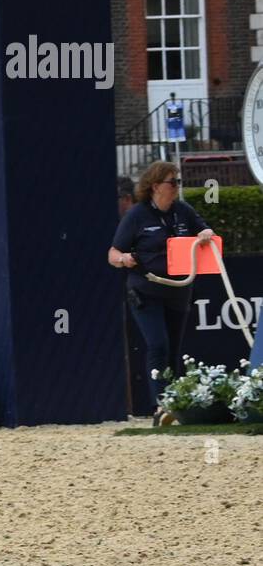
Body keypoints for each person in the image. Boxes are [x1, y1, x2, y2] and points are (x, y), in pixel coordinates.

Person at [109, 161, 216, 409]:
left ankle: (175, 405)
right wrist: (124, 259)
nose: (176, 187)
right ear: (156, 186)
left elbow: (205, 230)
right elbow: (113, 253)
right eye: (172, 182)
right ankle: (162, 406)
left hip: (178, 291)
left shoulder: (183, 211)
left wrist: (205, 233)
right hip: (146, 290)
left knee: (173, 350)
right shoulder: (136, 215)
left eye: (178, 182)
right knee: (158, 344)